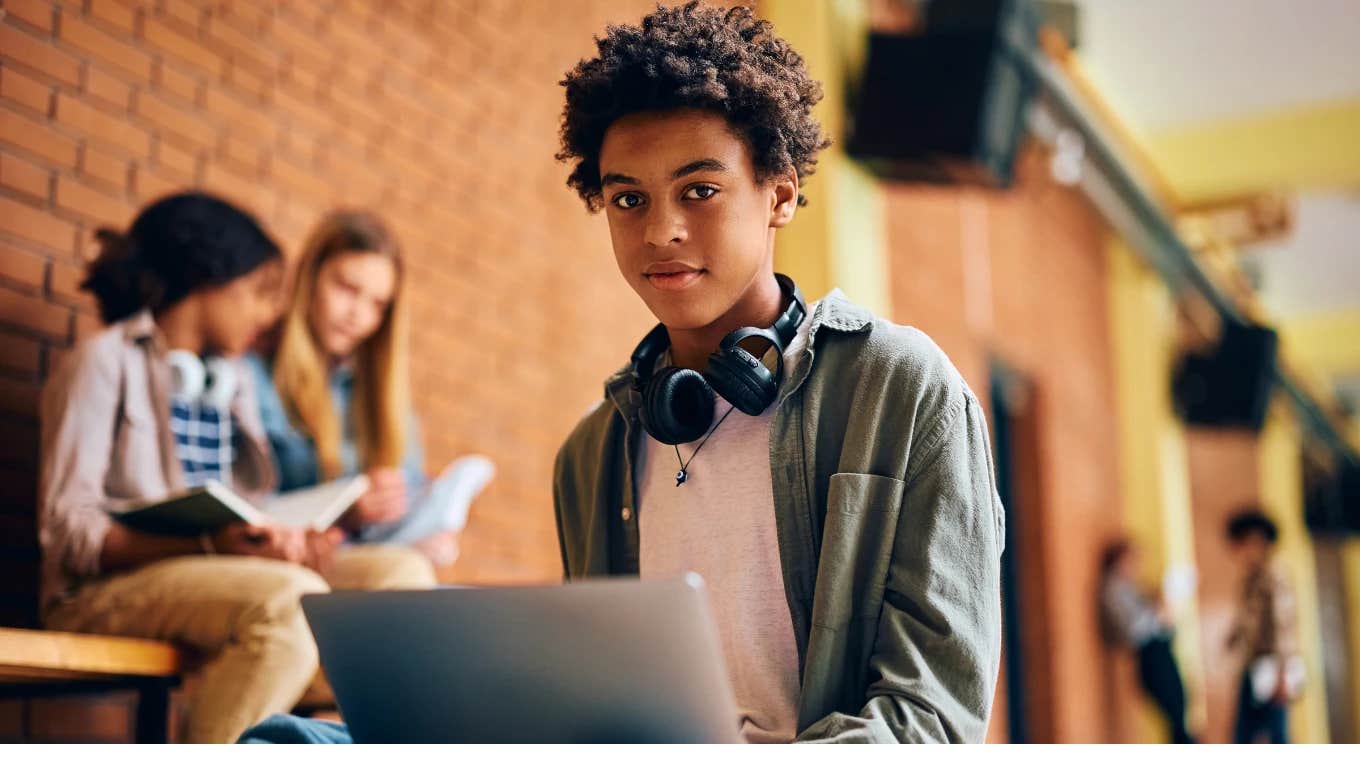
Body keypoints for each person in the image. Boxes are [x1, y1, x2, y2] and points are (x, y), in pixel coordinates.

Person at [239, 1, 1004, 744]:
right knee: (290, 741)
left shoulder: (902, 392)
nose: (660, 229)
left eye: (699, 191)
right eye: (628, 199)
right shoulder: (593, 453)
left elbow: (928, 717)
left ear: (780, 194)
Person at [39, 192, 436, 743]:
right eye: (256, 294)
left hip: (210, 571)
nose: (267, 312)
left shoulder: (233, 382)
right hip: (100, 591)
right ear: (209, 286)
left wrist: (284, 537)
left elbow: (247, 508)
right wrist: (208, 546)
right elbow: (68, 536)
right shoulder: (104, 362)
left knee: (401, 580)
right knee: (285, 605)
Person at [245, 210, 494, 568]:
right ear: (310, 278)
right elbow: (246, 506)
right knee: (402, 574)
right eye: (347, 289)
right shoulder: (254, 373)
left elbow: (405, 491)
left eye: (377, 304)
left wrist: (424, 528)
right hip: (286, 559)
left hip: (362, 554)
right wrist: (345, 513)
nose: (358, 314)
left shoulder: (381, 398)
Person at [1099, 540, 1196, 743]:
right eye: (1131, 560)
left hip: (1162, 653)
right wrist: (1156, 611)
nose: (1135, 566)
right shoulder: (1114, 589)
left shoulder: (1131, 587)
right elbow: (1135, 629)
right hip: (1150, 658)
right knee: (1175, 719)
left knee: (1180, 711)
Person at [1225, 508, 1300, 744]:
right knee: (1245, 736)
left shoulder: (1273, 576)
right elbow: (1247, 623)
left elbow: (1283, 626)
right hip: (1253, 665)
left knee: (1277, 735)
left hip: (1272, 666)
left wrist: (1283, 674)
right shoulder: (1250, 579)